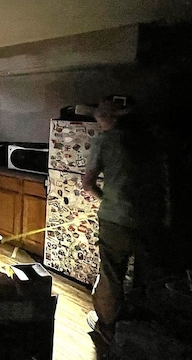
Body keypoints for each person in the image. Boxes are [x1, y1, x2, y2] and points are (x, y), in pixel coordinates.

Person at [82, 96, 169, 344]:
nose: (97, 119)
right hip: (151, 218)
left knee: (111, 272)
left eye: (100, 115)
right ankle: (144, 326)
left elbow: (87, 184)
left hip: (116, 218)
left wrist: (105, 198)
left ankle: (107, 327)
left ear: (109, 118)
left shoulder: (105, 140)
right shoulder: (151, 140)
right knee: (148, 272)